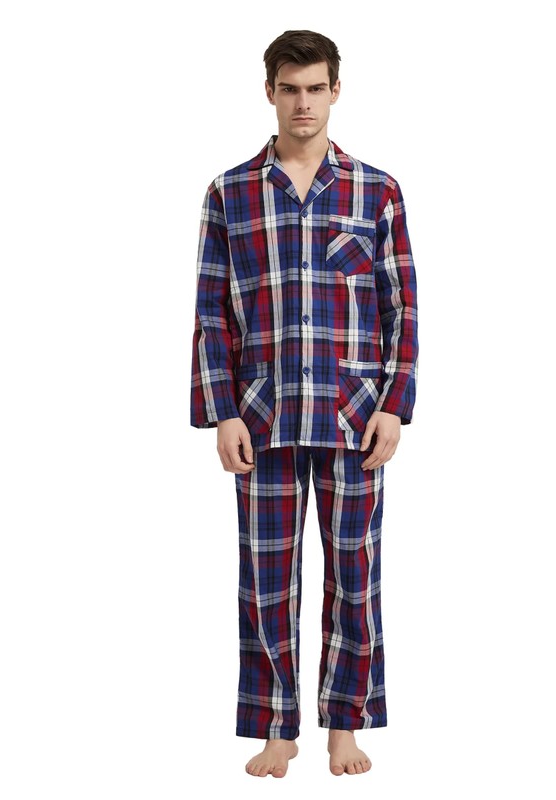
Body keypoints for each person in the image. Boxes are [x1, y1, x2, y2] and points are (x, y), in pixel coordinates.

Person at [189, 29, 419, 778]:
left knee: (355, 575)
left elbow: (402, 307)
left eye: (316, 88)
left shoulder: (376, 191)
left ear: (335, 91)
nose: (303, 104)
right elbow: (211, 312)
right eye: (290, 89)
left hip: (355, 416)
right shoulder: (229, 193)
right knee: (266, 578)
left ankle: (345, 726)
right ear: (269, 92)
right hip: (262, 415)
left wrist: (395, 404)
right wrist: (222, 411)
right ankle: (276, 727)